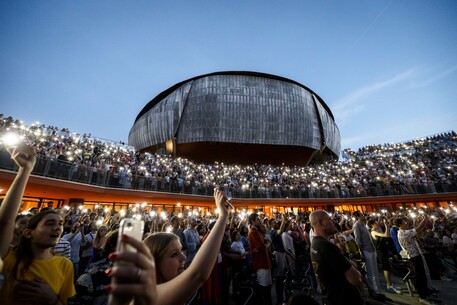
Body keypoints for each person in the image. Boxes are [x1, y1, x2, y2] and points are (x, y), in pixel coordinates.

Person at [107, 188, 229, 305]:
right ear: (153, 263)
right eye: (174, 254)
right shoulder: (146, 296)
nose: (183, 257)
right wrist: (223, 216)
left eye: (181, 251)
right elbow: (197, 275)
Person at [0, 145, 75, 305]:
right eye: (49, 223)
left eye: (60, 224)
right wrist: (25, 170)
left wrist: (52, 299)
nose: (57, 227)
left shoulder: (65, 265)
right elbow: (5, 222)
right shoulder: (8, 257)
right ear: (28, 232)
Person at [310, 210, 363, 305]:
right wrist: (351, 265)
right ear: (321, 223)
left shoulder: (315, 244)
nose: (333, 221)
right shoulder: (326, 247)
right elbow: (356, 279)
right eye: (329, 219)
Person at [396, 215, 439, 305]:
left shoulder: (405, 231)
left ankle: (426, 292)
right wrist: (424, 219)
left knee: (422, 274)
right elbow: (417, 229)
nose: (406, 223)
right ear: (400, 224)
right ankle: (421, 296)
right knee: (418, 276)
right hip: (413, 257)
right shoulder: (402, 233)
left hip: (416, 255)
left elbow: (417, 233)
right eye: (404, 222)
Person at [248, 212, 272, 305]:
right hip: (260, 263)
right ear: (253, 221)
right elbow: (263, 246)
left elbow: (265, 244)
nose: (260, 221)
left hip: (265, 262)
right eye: (258, 220)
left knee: (268, 286)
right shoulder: (253, 232)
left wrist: (266, 245)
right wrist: (266, 245)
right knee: (263, 288)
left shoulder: (258, 232)